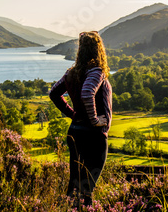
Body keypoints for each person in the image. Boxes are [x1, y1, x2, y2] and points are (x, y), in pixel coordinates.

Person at [49, 31, 112, 207]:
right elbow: (87, 93)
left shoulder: (72, 72)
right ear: (99, 48)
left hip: (75, 132)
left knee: (75, 183)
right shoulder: (96, 71)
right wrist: (94, 120)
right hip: (93, 135)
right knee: (88, 185)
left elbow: (54, 93)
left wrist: (72, 114)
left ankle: (69, 208)